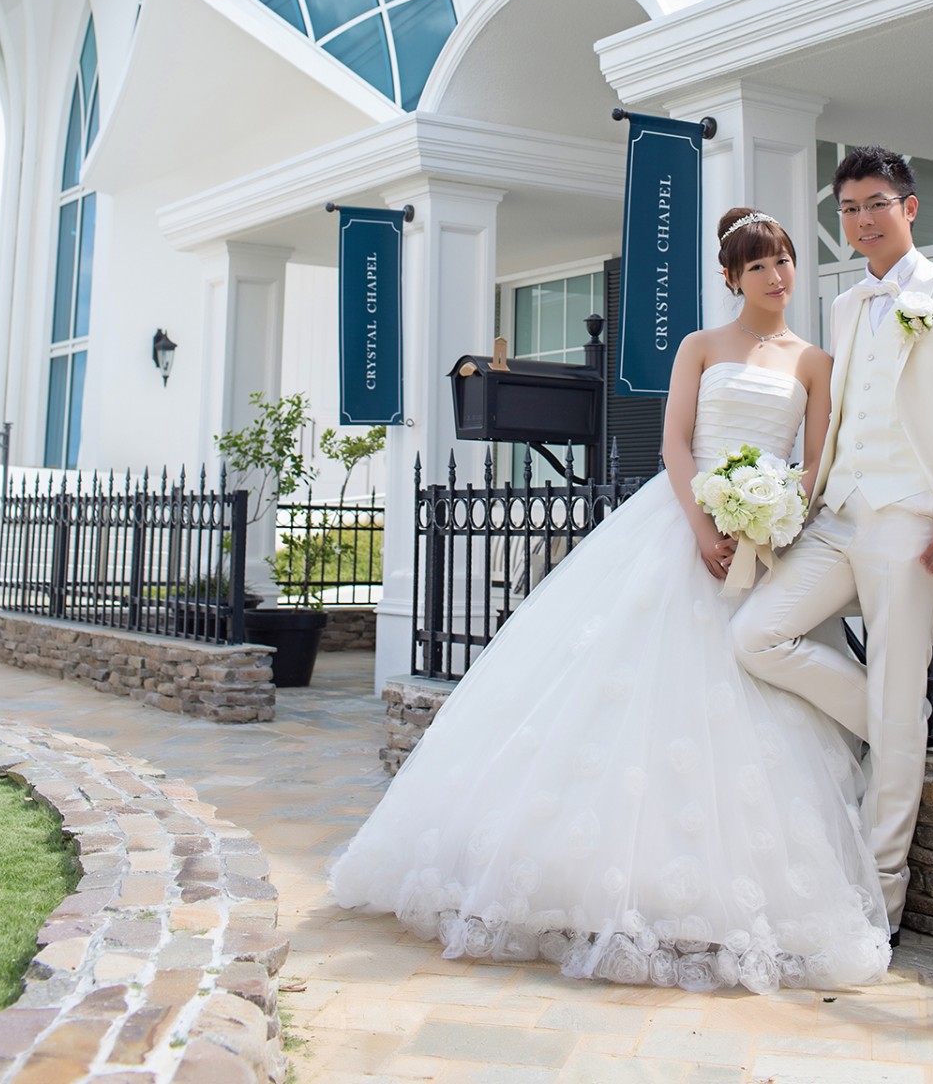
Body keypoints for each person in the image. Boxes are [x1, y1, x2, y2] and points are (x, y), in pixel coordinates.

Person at [329, 208, 891, 994]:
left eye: (785, 261)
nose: (776, 275)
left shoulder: (814, 361)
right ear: (732, 279)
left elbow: (816, 458)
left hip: (766, 540)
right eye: (758, 265)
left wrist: (773, 518)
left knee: (757, 681)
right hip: (681, 520)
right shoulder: (701, 347)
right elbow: (673, 442)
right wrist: (703, 524)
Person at [732, 148, 933, 939]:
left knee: (902, 685)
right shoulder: (843, 303)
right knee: (755, 634)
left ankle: (877, 901)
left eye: (875, 203)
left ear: (909, 207)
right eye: (849, 209)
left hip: (913, 524)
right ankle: (897, 728)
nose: (862, 220)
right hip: (838, 514)